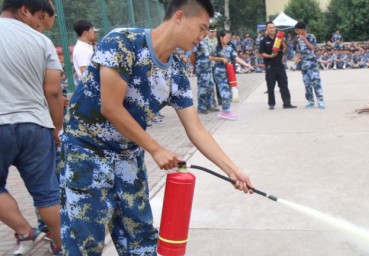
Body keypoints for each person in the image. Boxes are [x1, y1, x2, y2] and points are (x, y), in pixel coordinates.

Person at [60, 0, 255, 254]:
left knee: (141, 240)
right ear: (180, 17)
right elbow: (111, 107)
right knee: (85, 243)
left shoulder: (176, 73)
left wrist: (232, 170)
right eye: (201, 27)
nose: (203, 36)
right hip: (85, 153)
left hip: (128, 157)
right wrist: (156, 148)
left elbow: (196, 129)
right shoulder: (123, 42)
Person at [0, 0, 64, 255]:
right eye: (40, 18)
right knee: (47, 193)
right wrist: (55, 128)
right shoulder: (41, 42)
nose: (41, 25)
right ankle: (61, 245)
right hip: (37, 125)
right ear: (24, 10)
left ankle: (26, 231)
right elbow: (54, 91)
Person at [210, 30, 253, 120]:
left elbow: (236, 58)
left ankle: (224, 111)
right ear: (221, 38)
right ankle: (227, 111)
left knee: (229, 93)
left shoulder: (230, 48)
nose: (228, 40)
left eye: (229, 38)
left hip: (229, 73)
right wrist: (221, 59)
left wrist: (246, 64)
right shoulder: (215, 47)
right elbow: (211, 57)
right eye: (227, 38)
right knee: (224, 93)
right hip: (219, 73)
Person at [259, 22, 297, 110]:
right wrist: (270, 56)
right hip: (270, 66)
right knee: (270, 86)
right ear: (267, 29)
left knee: (284, 84)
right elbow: (261, 53)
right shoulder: (264, 41)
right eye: (270, 28)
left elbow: (285, 50)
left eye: (273, 27)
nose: (272, 29)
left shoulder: (278, 39)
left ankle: (287, 103)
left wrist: (282, 41)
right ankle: (271, 104)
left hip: (280, 65)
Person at [294, 22, 325, 109]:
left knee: (316, 82)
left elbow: (312, 48)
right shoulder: (298, 39)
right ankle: (310, 101)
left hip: (312, 64)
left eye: (298, 30)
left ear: (303, 29)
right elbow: (299, 52)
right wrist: (296, 60)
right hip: (304, 65)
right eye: (296, 30)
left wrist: (304, 39)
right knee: (306, 83)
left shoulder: (311, 36)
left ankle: (320, 100)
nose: (297, 32)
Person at [190, 28, 218, 114]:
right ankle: (202, 107)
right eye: (206, 30)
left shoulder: (205, 41)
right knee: (203, 87)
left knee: (210, 86)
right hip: (202, 69)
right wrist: (195, 65)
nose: (207, 31)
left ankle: (210, 105)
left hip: (208, 68)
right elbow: (192, 55)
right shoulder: (197, 41)